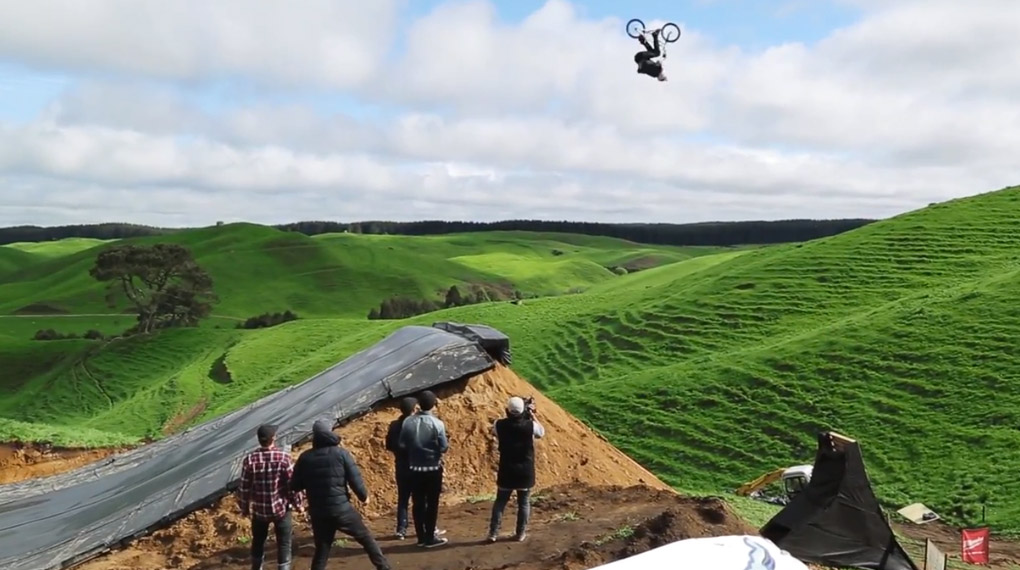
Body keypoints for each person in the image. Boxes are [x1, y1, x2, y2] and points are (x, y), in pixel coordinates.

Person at [291, 420, 391, 570]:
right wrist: (364, 497)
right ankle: (384, 567)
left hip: (319, 512)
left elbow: (295, 485)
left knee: (322, 548)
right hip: (341, 509)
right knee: (365, 538)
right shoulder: (341, 454)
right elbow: (354, 479)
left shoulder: (305, 458)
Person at [238, 424, 304, 570]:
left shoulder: (250, 460)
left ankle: (256, 567)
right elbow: (292, 486)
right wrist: (298, 505)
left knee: (258, 541)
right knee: (284, 542)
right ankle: (283, 567)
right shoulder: (283, 458)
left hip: (260, 511)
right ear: (273, 438)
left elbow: (244, 487)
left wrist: (244, 509)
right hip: (281, 509)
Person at [486, 396, 545, 543]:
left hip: (506, 470)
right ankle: (520, 534)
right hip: (525, 471)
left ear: (507, 410)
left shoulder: (498, 425)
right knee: (524, 503)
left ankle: (493, 533)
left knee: (500, 502)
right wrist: (532, 414)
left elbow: (497, 429)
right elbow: (541, 433)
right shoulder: (531, 426)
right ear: (523, 410)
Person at [399, 389, 449, 547]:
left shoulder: (407, 422)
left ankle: (420, 537)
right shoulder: (438, 424)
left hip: (414, 468)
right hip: (433, 468)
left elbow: (401, 444)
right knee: (432, 504)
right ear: (434, 405)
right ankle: (430, 537)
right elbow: (444, 447)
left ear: (419, 405)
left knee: (417, 503)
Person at [385, 396, 417, 539]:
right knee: (419, 499)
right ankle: (424, 528)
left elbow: (389, 446)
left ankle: (401, 529)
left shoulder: (394, 425)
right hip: (417, 466)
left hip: (401, 466)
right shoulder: (416, 424)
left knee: (403, 499)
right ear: (413, 409)